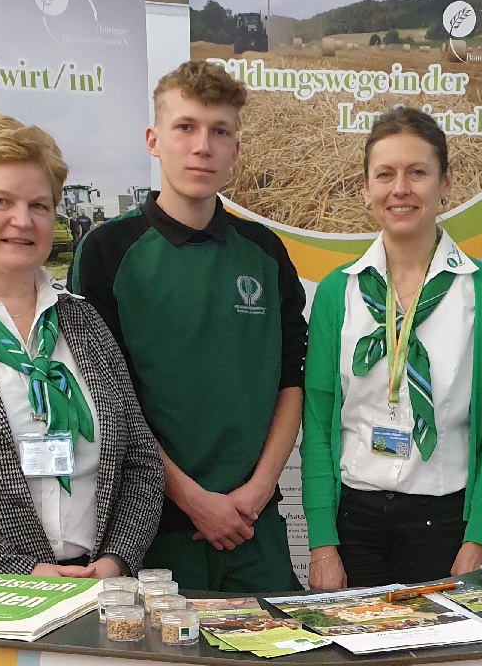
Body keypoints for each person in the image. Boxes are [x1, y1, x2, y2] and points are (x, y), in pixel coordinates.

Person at [71, 61, 306, 592]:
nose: (203, 146)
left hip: (252, 528)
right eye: (186, 128)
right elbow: (107, 399)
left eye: (219, 131)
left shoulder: (266, 252)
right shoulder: (107, 251)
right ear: (154, 140)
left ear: (235, 150)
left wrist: (256, 492)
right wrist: (194, 502)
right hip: (150, 533)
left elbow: (292, 378)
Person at [0, 112, 164, 578]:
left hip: (100, 593)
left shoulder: (82, 320)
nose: (23, 220)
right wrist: (19, 572)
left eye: (39, 204)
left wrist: (117, 560)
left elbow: (139, 459)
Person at [301, 106, 482, 589]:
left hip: (444, 524)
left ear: (445, 184)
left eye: (417, 172)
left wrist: (479, 538)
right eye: (385, 174)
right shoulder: (338, 292)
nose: (400, 188)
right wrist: (321, 542)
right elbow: (317, 423)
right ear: (366, 188)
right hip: (353, 520)